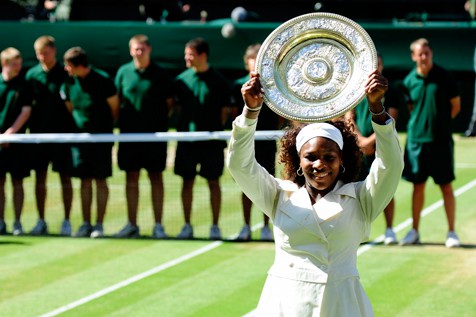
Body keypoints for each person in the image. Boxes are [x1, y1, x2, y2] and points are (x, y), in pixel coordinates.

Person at [226, 70, 403, 316]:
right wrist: (250, 112)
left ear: (342, 160)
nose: (319, 165)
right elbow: (239, 165)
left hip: (341, 305)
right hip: (283, 305)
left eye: (329, 157)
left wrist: (376, 108)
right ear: (297, 161)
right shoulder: (279, 195)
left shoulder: (362, 198)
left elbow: (391, 165)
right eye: (310, 157)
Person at [399, 38, 461, 248]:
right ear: (414, 56)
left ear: (431, 54)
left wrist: (440, 125)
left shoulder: (444, 77)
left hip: (441, 142)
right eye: (420, 53)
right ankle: (415, 231)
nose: (424, 57)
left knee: (446, 187)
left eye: (427, 53)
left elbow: (456, 107)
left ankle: (452, 232)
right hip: (416, 142)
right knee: (418, 187)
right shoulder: (408, 82)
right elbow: (410, 109)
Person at [114, 34, 174, 239]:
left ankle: (158, 226)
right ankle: (132, 224)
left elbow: (169, 104)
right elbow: (117, 102)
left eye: (142, 49)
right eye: (135, 49)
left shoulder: (160, 74)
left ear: (149, 50)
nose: (139, 52)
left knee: (155, 178)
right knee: (131, 178)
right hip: (129, 137)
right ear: (131, 51)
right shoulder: (123, 72)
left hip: (155, 138)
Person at [345, 52, 405, 245]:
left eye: (377, 64)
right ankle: (355, 230)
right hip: (358, 147)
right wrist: (360, 141)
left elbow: (391, 118)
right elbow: (349, 117)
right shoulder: (354, 88)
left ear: (382, 66)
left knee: (385, 188)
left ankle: (389, 230)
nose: (374, 68)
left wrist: (370, 142)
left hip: (380, 147)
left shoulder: (392, 90)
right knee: (353, 190)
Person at [173, 37, 230, 240]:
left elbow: (225, 113)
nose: (187, 58)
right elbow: (177, 109)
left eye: (191, 54)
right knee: (186, 183)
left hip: (212, 143)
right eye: (186, 54)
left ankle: (215, 226)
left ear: (202, 55)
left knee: (213, 182)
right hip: (187, 142)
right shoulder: (180, 81)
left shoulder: (220, 81)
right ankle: (187, 226)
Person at [60, 46, 119, 238]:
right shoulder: (68, 83)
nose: (66, 69)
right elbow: (69, 108)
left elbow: (114, 108)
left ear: (77, 65)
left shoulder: (103, 80)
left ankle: (99, 225)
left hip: (101, 140)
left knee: (101, 181)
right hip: (80, 142)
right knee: (85, 182)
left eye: (68, 65)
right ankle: (86, 223)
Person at [231, 43, 282, 241]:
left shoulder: (274, 88)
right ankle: (245, 226)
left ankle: (266, 227)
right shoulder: (238, 87)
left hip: (267, 142)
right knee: (246, 184)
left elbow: (278, 117)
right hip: (246, 142)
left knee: (269, 184)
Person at [26, 35, 74, 236]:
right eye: (39, 54)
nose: (42, 57)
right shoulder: (32, 75)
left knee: (65, 178)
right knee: (40, 178)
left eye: (45, 53)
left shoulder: (66, 74)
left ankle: (67, 221)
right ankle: (41, 220)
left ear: (54, 52)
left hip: (63, 137)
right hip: (38, 137)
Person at [0, 47, 32, 236]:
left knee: (17, 183)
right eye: (14, 64)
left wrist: (11, 133)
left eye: (19, 64)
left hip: (17, 142)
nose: (18, 68)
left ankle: (18, 222)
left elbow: (25, 111)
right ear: (5, 64)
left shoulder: (24, 85)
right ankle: (1, 221)